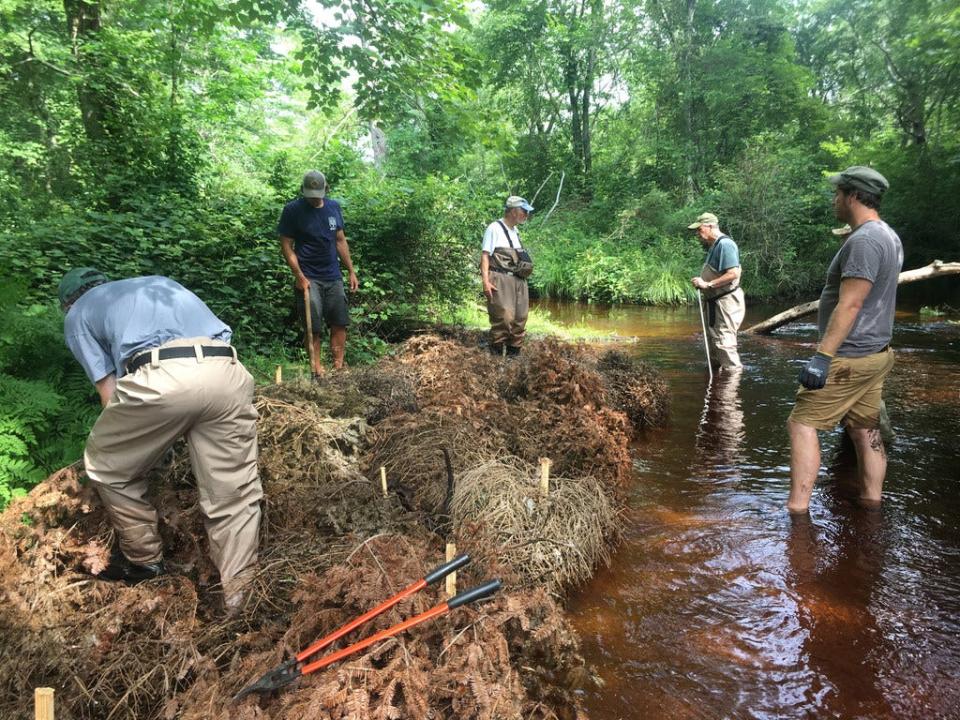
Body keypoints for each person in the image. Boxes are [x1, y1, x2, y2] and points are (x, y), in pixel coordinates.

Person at [59, 269, 262, 612]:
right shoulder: (158, 284)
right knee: (233, 495)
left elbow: (110, 393)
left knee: (106, 467)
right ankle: (241, 603)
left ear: (69, 302)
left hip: (162, 379)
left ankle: (145, 563)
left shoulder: (78, 313)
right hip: (227, 371)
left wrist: (145, 443)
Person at [787, 166, 903, 514]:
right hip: (875, 353)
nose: (834, 198)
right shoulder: (888, 235)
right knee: (864, 428)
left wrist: (823, 357)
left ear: (853, 195)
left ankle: (797, 511)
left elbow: (851, 302)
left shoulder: (866, 240)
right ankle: (872, 503)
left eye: (838, 192)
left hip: (849, 357)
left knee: (801, 423)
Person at [278, 170, 359, 378]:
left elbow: (340, 240)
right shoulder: (292, 211)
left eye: (318, 194)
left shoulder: (333, 207)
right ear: (304, 192)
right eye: (310, 194)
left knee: (339, 322)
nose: (315, 198)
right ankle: (317, 370)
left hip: (333, 275)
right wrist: (299, 275)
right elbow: (287, 246)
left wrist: (351, 270)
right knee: (313, 326)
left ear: (326, 190)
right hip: (308, 277)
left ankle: (338, 368)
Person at [688, 212, 745, 368]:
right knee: (714, 344)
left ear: (710, 226)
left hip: (725, 303)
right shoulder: (715, 245)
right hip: (715, 302)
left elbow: (733, 273)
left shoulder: (725, 244)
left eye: (699, 229)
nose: (698, 234)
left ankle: (731, 386)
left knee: (724, 344)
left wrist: (708, 284)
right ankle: (717, 387)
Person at [481, 195, 534, 356]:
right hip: (500, 279)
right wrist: (485, 282)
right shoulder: (494, 228)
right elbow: (485, 255)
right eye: (523, 211)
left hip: (519, 281)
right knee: (503, 319)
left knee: (520, 320)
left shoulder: (515, 231)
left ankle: (512, 364)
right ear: (512, 211)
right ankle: (495, 364)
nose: (526, 215)